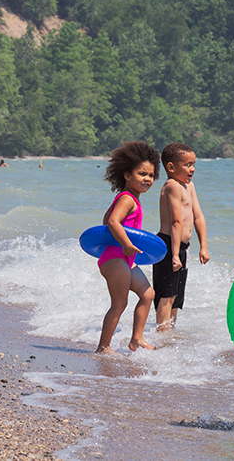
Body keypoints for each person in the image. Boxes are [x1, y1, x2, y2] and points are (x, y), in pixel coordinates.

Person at [95, 141, 159, 354]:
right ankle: (103, 347)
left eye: (151, 175)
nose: (147, 179)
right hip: (116, 258)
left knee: (148, 294)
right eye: (142, 173)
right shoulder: (127, 199)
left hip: (125, 259)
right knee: (119, 303)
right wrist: (127, 244)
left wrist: (128, 245)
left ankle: (136, 339)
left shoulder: (127, 199)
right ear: (127, 175)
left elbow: (106, 220)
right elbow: (113, 223)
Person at [153, 143, 210, 331]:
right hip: (168, 245)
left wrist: (203, 246)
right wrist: (175, 255)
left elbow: (198, 216)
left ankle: (170, 335)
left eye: (193, 164)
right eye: (187, 165)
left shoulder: (189, 185)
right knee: (166, 295)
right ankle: (162, 335)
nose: (192, 169)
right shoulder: (172, 186)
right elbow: (176, 222)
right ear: (171, 167)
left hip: (182, 247)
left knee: (176, 298)